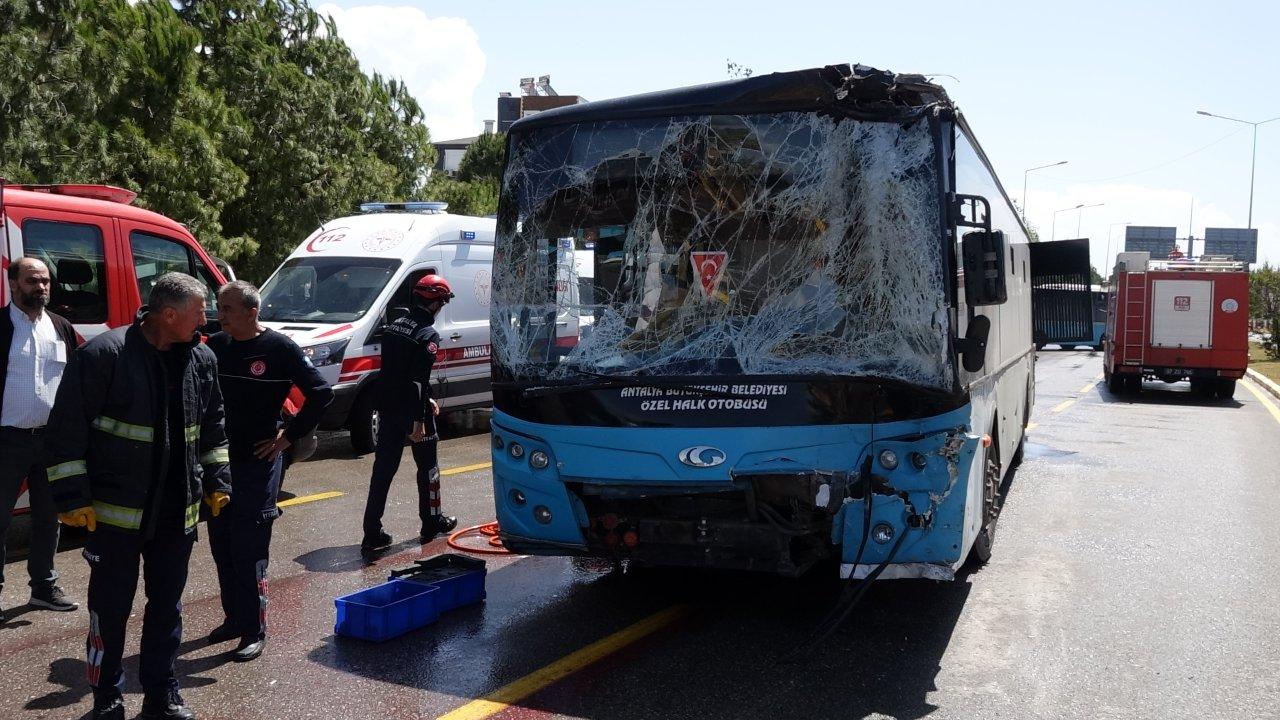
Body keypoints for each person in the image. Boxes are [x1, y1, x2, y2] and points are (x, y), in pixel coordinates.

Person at [43, 272, 231, 720]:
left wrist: (218, 479)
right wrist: (72, 497)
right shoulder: (105, 355)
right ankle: (106, 694)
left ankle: (161, 694)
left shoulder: (201, 358)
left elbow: (213, 424)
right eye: (199, 310)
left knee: (166, 609)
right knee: (109, 611)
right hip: (114, 519)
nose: (205, 319)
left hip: (175, 516)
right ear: (168, 314)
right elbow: (66, 429)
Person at [204, 281, 332, 661]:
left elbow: (321, 394)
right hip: (220, 461)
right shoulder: (217, 346)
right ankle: (233, 618)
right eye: (219, 307)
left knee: (249, 546)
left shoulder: (279, 348)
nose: (220, 315)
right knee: (221, 543)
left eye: (227, 308)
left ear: (251, 312)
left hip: (259, 462)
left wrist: (287, 438)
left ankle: (253, 629)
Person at [0, 257, 79, 616]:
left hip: (50, 441)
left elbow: (75, 385)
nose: (41, 288)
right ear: (13, 283)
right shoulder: (1, 326)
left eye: (46, 281)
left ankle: (43, 588)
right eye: (33, 281)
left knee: (49, 517)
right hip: (7, 441)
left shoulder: (61, 327)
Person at [360, 274, 458, 555]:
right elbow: (416, 379)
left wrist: (425, 396)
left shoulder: (393, 327)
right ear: (436, 303)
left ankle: (372, 532)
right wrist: (418, 420)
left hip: (388, 407)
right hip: (413, 412)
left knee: (383, 471)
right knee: (428, 469)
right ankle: (432, 521)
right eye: (442, 302)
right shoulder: (427, 335)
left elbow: (395, 372)